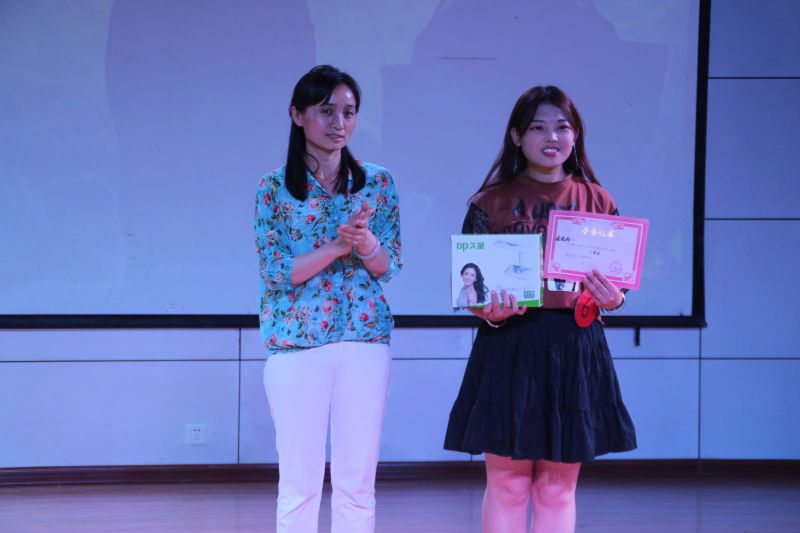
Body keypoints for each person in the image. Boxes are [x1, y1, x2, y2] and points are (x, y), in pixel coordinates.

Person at [444, 85, 636, 533]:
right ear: (516, 136)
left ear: (576, 135)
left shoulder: (599, 200)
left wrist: (615, 299)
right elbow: (472, 288)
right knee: (508, 485)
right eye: (537, 128)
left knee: (556, 488)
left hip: (575, 346)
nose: (552, 137)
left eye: (562, 127)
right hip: (508, 344)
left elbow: (617, 282)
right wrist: (490, 311)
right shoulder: (489, 201)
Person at [254, 65, 402, 533]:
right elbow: (277, 271)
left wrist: (366, 244)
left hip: (364, 341)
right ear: (298, 115)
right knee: (299, 482)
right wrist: (337, 247)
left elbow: (390, 266)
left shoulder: (377, 182)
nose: (339, 122)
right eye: (327, 111)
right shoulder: (273, 188)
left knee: (357, 483)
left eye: (349, 112)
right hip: (296, 345)